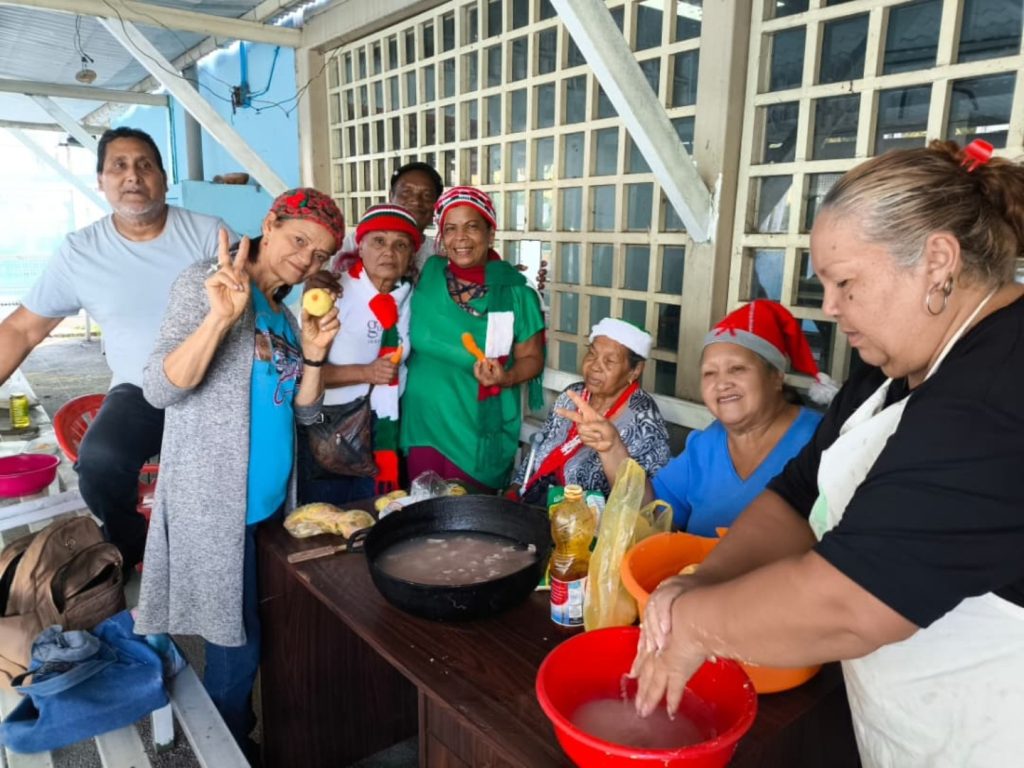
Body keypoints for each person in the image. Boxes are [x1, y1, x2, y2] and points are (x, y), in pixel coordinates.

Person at [629, 140, 1024, 768]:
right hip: (907, 726)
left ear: (938, 261)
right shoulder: (889, 368)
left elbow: (855, 601)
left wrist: (699, 625)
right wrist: (702, 583)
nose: (831, 307)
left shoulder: (1000, 390)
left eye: (846, 282)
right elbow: (797, 494)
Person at [134, 188, 343, 753]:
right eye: (299, 241)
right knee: (238, 640)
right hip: (216, 503)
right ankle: (226, 746)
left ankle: (236, 734)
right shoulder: (209, 282)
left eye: (320, 255)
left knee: (266, 627)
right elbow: (159, 388)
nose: (306, 260)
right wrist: (218, 321)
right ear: (269, 224)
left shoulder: (281, 309)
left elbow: (304, 411)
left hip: (273, 505)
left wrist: (317, 354)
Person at [0, 127, 230, 572]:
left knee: (238, 475)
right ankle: (136, 548)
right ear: (101, 181)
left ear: (164, 178)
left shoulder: (209, 235)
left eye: (145, 165)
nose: (132, 176)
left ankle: (232, 556)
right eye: (118, 166)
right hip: (140, 388)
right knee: (100, 463)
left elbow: (259, 290)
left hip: (214, 386)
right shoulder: (81, 251)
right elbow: (23, 329)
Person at [563, 301, 827, 535]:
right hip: (696, 583)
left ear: (776, 377)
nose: (722, 383)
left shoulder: (822, 443)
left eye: (737, 369)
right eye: (709, 373)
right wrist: (612, 448)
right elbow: (653, 513)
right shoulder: (706, 444)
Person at [400, 186, 546, 491]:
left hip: (477, 433)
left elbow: (532, 359)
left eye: (472, 227)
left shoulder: (518, 293)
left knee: (467, 523)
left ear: (490, 233)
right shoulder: (430, 272)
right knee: (422, 516)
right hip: (422, 423)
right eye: (450, 229)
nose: (461, 238)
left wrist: (506, 377)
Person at [298, 204, 419, 504]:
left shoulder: (408, 297)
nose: (388, 252)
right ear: (361, 246)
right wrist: (366, 373)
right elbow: (301, 371)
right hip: (332, 431)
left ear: (410, 256)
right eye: (379, 241)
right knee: (329, 524)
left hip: (384, 431)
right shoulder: (331, 293)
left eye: (400, 245)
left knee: (377, 521)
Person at [507, 318, 670, 504]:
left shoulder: (644, 419)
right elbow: (540, 446)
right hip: (538, 501)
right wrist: (515, 489)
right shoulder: (572, 395)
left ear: (635, 370)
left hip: (590, 523)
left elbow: (645, 504)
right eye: (591, 355)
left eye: (609, 361)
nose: (594, 367)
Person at [334, 162, 443, 276]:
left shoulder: (438, 255)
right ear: (391, 196)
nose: (416, 201)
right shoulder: (358, 240)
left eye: (427, 195)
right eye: (406, 192)